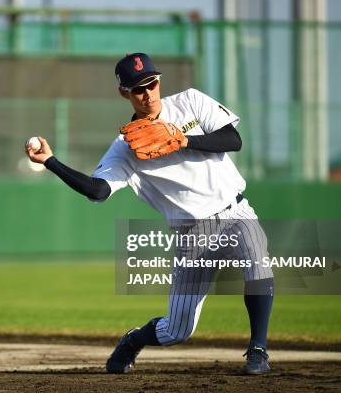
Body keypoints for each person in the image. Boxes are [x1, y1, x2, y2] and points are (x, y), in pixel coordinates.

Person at [26, 53, 274, 375]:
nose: (148, 93)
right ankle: (133, 340)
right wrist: (51, 162)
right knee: (178, 330)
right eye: (139, 88)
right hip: (191, 233)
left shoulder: (190, 102)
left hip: (234, 210)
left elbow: (233, 139)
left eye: (152, 83)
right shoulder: (125, 148)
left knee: (257, 259)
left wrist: (183, 139)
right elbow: (97, 191)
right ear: (124, 93)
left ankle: (257, 349)